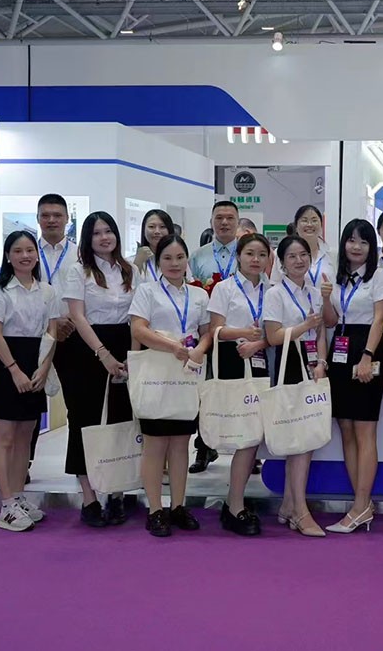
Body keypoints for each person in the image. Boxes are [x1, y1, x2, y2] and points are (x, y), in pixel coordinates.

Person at [129, 234, 212, 537]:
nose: (174, 264)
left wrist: (199, 349)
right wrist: (172, 346)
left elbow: (207, 331)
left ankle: (178, 506)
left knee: (181, 443)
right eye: (167, 258)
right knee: (155, 445)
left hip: (187, 373)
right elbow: (138, 329)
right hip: (156, 372)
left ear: (187, 259)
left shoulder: (199, 294)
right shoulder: (147, 291)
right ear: (158, 261)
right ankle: (155, 509)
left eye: (179, 257)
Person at [62, 212, 139, 528]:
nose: (104, 237)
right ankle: (89, 499)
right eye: (96, 233)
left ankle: (117, 494)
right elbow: (77, 317)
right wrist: (103, 354)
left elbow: (137, 315)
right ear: (87, 238)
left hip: (124, 345)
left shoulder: (130, 270)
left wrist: (132, 355)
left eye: (108, 231)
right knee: (84, 421)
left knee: (121, 420)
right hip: (86, 350)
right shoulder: (78, 271)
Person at [0, 231, 61, 531]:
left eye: (29, 250)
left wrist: (44, 367)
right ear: (8, 256)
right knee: (5, 440)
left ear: (36, 255)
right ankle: (6, 505)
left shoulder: (47, 291)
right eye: (18, 251)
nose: (25, 256)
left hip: (36, 362)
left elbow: (51, 332)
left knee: (26, 438)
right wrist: (14, 370)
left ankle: (18, 497)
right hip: (6, 366)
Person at [321, 220, 383, 533]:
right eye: (351, 240)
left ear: (371, 247)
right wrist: (325, 298)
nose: (356, 247)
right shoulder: (337, 277)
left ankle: (361, 506)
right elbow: (332, 320)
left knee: (365, 430)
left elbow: (379, 319)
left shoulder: (380, 276)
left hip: (367, 350)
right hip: (340, 347)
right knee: (346, 429)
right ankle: (361, 503)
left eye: (363, 241)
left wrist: (367, 356)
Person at [207, 232, 275, 537]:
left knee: (253, 436)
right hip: (233, 360)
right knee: (244, 435)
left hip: (262, 359)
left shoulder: (272, 290)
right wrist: (244, 333)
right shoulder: (224, 288)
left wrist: (258, 340)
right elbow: (215, 330)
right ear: (238, 256)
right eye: (250, 253)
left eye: (261, 254)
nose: (255, 259)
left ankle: (234, 503)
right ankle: (234, 505)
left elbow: (275, 331)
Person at [264, 235, 329, 538]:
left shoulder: (315, 293)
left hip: (313, 363)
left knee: (307, 436)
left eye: (303, 254)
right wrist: (304, 326)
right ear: (282, 263)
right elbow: (273, 336)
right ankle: (300, 511)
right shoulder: (275, 294)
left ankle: (290, 504)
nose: (299, 260)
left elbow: (321, 333)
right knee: (297, 439)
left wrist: (322, 362)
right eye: (292, 256)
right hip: (288, 361)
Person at [187, 200, 241, 473]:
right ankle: (204, 446)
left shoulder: (248, 251)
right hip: (207, 331)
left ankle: (247, 448)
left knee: (241, 390)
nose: (224, 222)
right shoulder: (198, 256)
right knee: (205, 391)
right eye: (219, 217)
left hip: (241, 332)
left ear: (238, 222)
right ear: (211, 222)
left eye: (230, 217)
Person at [29, 194, 79, 480]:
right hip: (36, 337)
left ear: (67, 219)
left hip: (72, 334)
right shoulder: (26, 251)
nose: (51, 220)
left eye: (57, 215)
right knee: (30, 406)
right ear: (37, 218)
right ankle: (24, 464)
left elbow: (88, 292)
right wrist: (50, 325)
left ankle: (80, 467)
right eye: (45, 215)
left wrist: (67, 320)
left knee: (77, 405)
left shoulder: (79, 253)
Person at [282, 204, 334, 290]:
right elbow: (276, 284)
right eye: (304, 220)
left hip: (327, 298)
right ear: (296, 226)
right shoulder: (284, 252)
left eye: (314, 220)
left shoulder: (332, 254)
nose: (309, 224)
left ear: (321, 225)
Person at [134, 209, 175, 283]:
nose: (157, 231)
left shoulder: (178, 259)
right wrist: (137, 264)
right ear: (144, 230)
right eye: (151, 226)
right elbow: (128, 287)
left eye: (162, 227)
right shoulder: (132, 261)